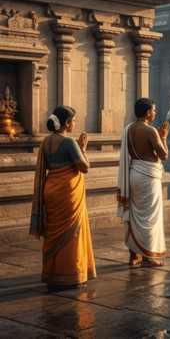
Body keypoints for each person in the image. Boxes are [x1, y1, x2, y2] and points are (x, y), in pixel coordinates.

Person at [30, 106, 96, 290]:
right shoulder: (68, 142)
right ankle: (70, 275)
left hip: (51, 189)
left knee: (54, 233)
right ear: (67, 123)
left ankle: (53, 274)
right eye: (73, 120)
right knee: (71, 233)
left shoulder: (46, 141)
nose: (75, 123)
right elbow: (84, 167)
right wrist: (83, 149)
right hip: (67, 193)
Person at [118, 98, 170, 266]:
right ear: (148, 113)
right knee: (149, 218)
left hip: (133, 175)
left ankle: (133, 256)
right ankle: (147, 257)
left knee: (133, 215)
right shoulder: (151, 131)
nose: (155, 113)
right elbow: (164, 156)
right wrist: (164, 138)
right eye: (153, 110)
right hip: (148, 178)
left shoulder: (128, 129)